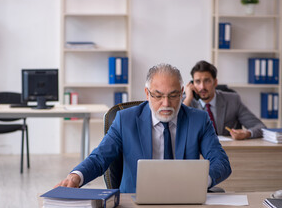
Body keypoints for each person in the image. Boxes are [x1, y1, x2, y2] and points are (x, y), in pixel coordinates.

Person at [56, 63, 231, 193]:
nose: (166, 103)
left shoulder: (198, 120)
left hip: (186, 201)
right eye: (158, 96)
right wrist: (76, 176)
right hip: (134, 204)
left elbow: (221, 162)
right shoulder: (125, 119)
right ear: (147, 94)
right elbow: (99, 157)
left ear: (182, 92)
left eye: (173, 95)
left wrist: (202, 181)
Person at [183, 60, 266, 140]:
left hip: (225, 151)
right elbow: (173, 128)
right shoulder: (186, 102)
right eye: (197, 82)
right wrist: (187, 100)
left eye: (207, 81)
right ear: (192, 84)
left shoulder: (232, 100)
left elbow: (260, 127)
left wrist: (246, 133)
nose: (202, 87)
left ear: (215, 82)